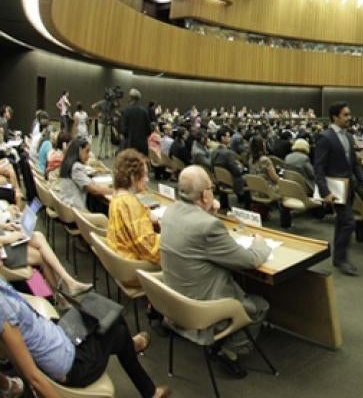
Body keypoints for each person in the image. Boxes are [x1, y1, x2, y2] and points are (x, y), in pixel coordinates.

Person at [160, 165, 271, 377]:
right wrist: (260, 242)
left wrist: (208, 210)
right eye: (211, 188)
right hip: (202, 307)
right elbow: (250, 260)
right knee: (259, 307)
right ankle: (230, 350)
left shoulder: (171, 211)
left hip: (175, 299)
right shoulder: (208, 227)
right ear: (204, 194)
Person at [0, 278, 169, 397]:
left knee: (108, 311)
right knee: (119, 331)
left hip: (57, 335)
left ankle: (129, 346)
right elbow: (33, 377)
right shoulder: (2, 307)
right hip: (71, 364)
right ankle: (149, 388)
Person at [312, 102, 363, 277]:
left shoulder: (347, 137)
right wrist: (324, 192)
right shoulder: (325, 137)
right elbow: (319, 168)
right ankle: (341, 259)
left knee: (341, 222)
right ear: (335, 117)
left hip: (349, 187)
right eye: (345, 115)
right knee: (348, 223)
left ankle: (337, 257)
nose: (349, 118)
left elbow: (355, 165)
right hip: (334, 189)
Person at [106, 149, 160, 265]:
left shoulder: (117, 197)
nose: (147, 179)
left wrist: (146, 215)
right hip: (135, 266)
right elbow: (150, 249)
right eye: (144, 175)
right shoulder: (131, 204)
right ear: (132, 176)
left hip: (121, 259)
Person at [58, 136, 110, 213]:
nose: (88, 156)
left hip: (67, 206)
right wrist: (114, 191)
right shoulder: (76, 167)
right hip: (75, 210)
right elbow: (94, 190)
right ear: (79, 150)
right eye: (87, 151)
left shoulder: (68, 163)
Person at [119, 89, 151, 156]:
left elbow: (124, 131)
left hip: (130, 145)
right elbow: (149, 130)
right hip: (142, 146)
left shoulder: (126, 111)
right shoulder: (144, 112)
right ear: (139, 99)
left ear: (130, 98)